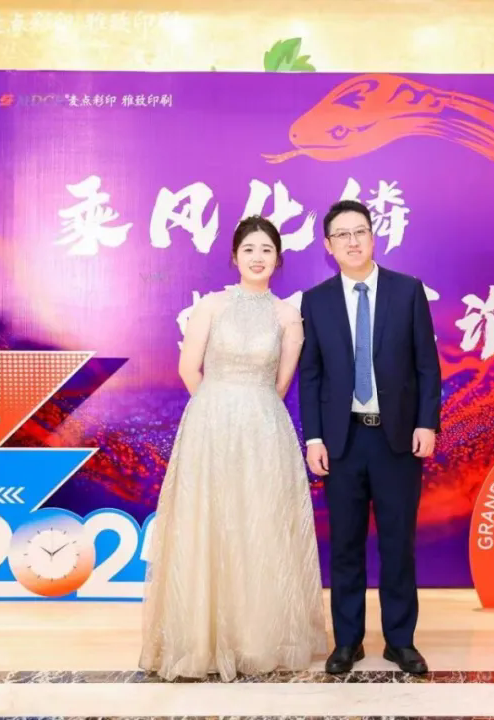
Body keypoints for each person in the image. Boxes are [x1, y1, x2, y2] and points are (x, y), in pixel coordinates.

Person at [140, 216, 327, 682]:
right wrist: (217, 409)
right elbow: (189, 369)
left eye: (266, 250)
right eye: (249, 249)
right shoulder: (212, 306)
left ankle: (255, 639)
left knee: (259, 524)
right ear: (234, 256)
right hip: (209, 427)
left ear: (278, 259)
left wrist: (249, 409)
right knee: (209, 523)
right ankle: (200, 638)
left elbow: (281, 382)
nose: (258, 257)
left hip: (264, 430)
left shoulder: (288, 316)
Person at [298, 200, 442, 675]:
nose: (352, 241)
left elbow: (427, 366)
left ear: (373, 236)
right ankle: (348, 642)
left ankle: (400, 641)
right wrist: (314, 439)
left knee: (398, 544)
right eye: (342, 235)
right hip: (342, 442)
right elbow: (311, 376)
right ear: (328, 246)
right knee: (345, 545)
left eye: (359, 231)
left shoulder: (407, 291)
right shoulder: (316, 300)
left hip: (397, 439)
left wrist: (426, 423)